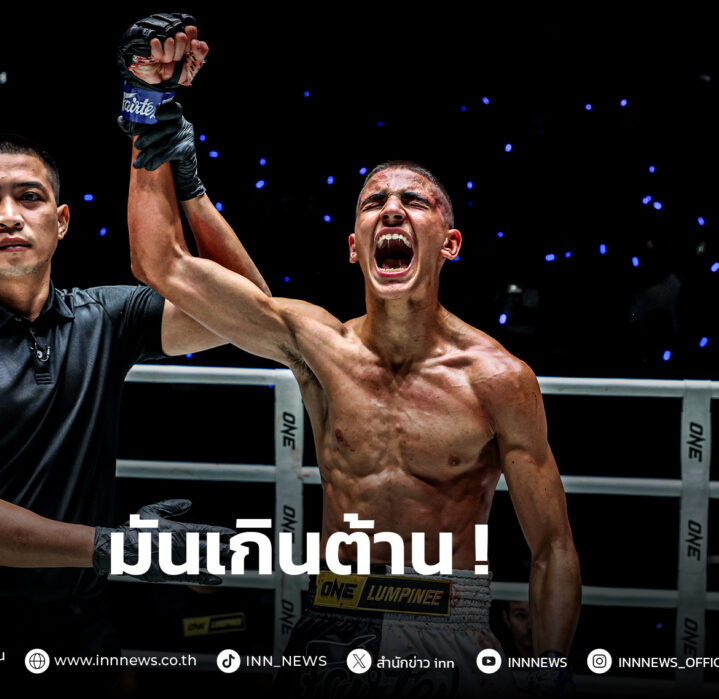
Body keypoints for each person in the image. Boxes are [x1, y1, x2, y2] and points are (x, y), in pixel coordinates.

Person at [122, 16, 580, 697]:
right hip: (335, 619)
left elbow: (553, 548)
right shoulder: (319, 346)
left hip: (446, 626)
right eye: (373, 203)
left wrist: (551, 667)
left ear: (449, 243)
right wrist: (145, 108)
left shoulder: (498, 379)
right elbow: (161, 264)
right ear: (353, 245)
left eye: (414, 201)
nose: (391, 210)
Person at [0, 121, 267, 691]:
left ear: (62, 221)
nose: (9, 216)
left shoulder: (106, 317)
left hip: (79, 635)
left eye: (30, 197)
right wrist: (119, 548)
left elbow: (251, 314)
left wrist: (190, 188)